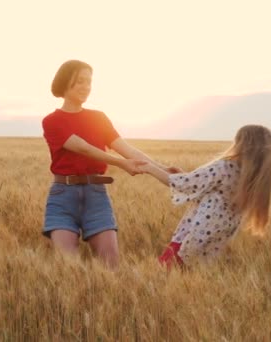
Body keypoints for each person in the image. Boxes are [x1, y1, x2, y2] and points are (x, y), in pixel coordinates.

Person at [42, 59, 181, 269]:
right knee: (67, 268)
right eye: (79, 81)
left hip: (97, 197)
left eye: (89, 82)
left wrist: (161, 168)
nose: (85, 87)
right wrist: (121, 164)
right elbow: (82, 147)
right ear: (64, 82)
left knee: (111, 267)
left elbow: (127, 149)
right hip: (63, 198)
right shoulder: (52, 121)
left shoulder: (98, 118)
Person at [140, 125, 271, 268]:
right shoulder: (253, 178)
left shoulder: (224, 167)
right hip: (216, 240)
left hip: (194, 234)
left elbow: (183, 184)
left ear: (240, 144)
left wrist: (149, 168)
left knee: (166, 272)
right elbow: (212, 188)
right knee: (192, 277)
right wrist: (185, 175)